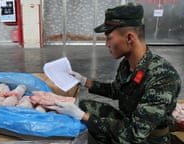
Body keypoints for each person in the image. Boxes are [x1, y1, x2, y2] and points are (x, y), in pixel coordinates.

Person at [47, 2, 181, 144]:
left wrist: (83, 117)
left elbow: (135, 134)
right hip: (128, 122)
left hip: (147, 138)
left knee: (85, 116)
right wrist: (85, 81)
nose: (106, 44)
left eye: (109, 38)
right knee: (85, 105)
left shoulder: (163, 78)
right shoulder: (127, 63)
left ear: (129, 38)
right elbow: (117, 90)